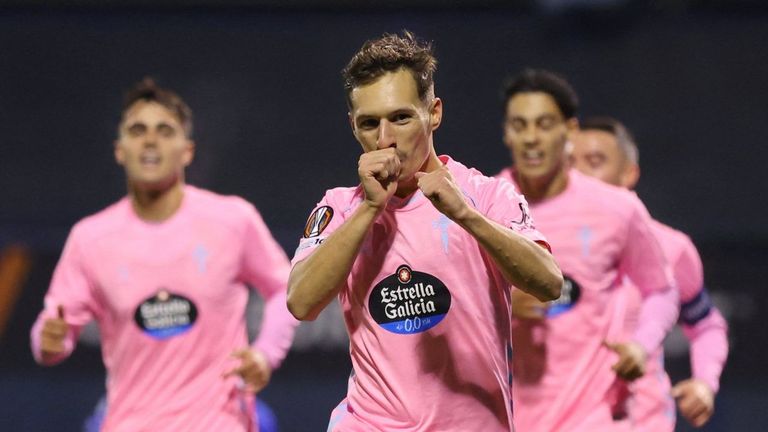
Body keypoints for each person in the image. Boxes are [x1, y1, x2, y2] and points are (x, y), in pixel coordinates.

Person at [287, 32, 562, 431]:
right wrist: (369, 208)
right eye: (369, 123)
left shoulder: (486, 194)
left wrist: (466, 216)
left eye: (400, 118)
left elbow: (549, 283)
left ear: (433, 113)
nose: (385, 139)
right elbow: (301, 303)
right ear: (352, 126)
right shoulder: (340, 206)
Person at [30, 78, 297, 432]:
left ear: (187, 150)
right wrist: (49, 340)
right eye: (137, 130)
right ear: (119, 149)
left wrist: (265, 353)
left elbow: (287, 290)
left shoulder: (234, 220)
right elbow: (52, 333)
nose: (151, 140)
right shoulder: (90, 238)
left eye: (164, 130)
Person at [497, 69, 680, 431]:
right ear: (506, 133)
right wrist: (500, 303)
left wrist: (642, 346)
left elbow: (660, 288)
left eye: (545, 124)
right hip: (509, 417)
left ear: (570, 131)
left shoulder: (616, 208)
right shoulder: (481, 206)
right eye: (520, 125)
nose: (532, 138)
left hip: (592, 416)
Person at [570, 116, 729, 429]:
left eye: (595, 161)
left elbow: (707, 325)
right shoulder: (536, 244)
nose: (579, 175)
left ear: (629, 174)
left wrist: (705, 383)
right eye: (570, 162)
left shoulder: (671, 247)